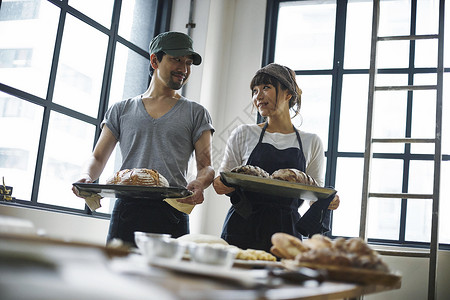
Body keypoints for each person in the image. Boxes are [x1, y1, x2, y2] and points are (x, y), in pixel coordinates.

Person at [73, 31, 215, 245]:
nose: (184, 69)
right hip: (127, 211)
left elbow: (207, 166)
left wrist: (200, 182)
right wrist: (86, 176)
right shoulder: (120, 109)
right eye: (176, 59)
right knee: (119, 275)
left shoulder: (197, 113)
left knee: (168, 278)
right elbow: (98, 157)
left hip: (173, 213)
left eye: (188, 63)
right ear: (154, 60)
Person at [213, 63, 340, 252]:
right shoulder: (243, 133)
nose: (258, 96)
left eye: (266, 88)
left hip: (286, 232)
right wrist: (222, 183)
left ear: (288, 93)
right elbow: (221, 182)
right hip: (243, 225)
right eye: (255, 91)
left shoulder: (311, 141)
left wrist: (329, 201)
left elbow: (315, 194)